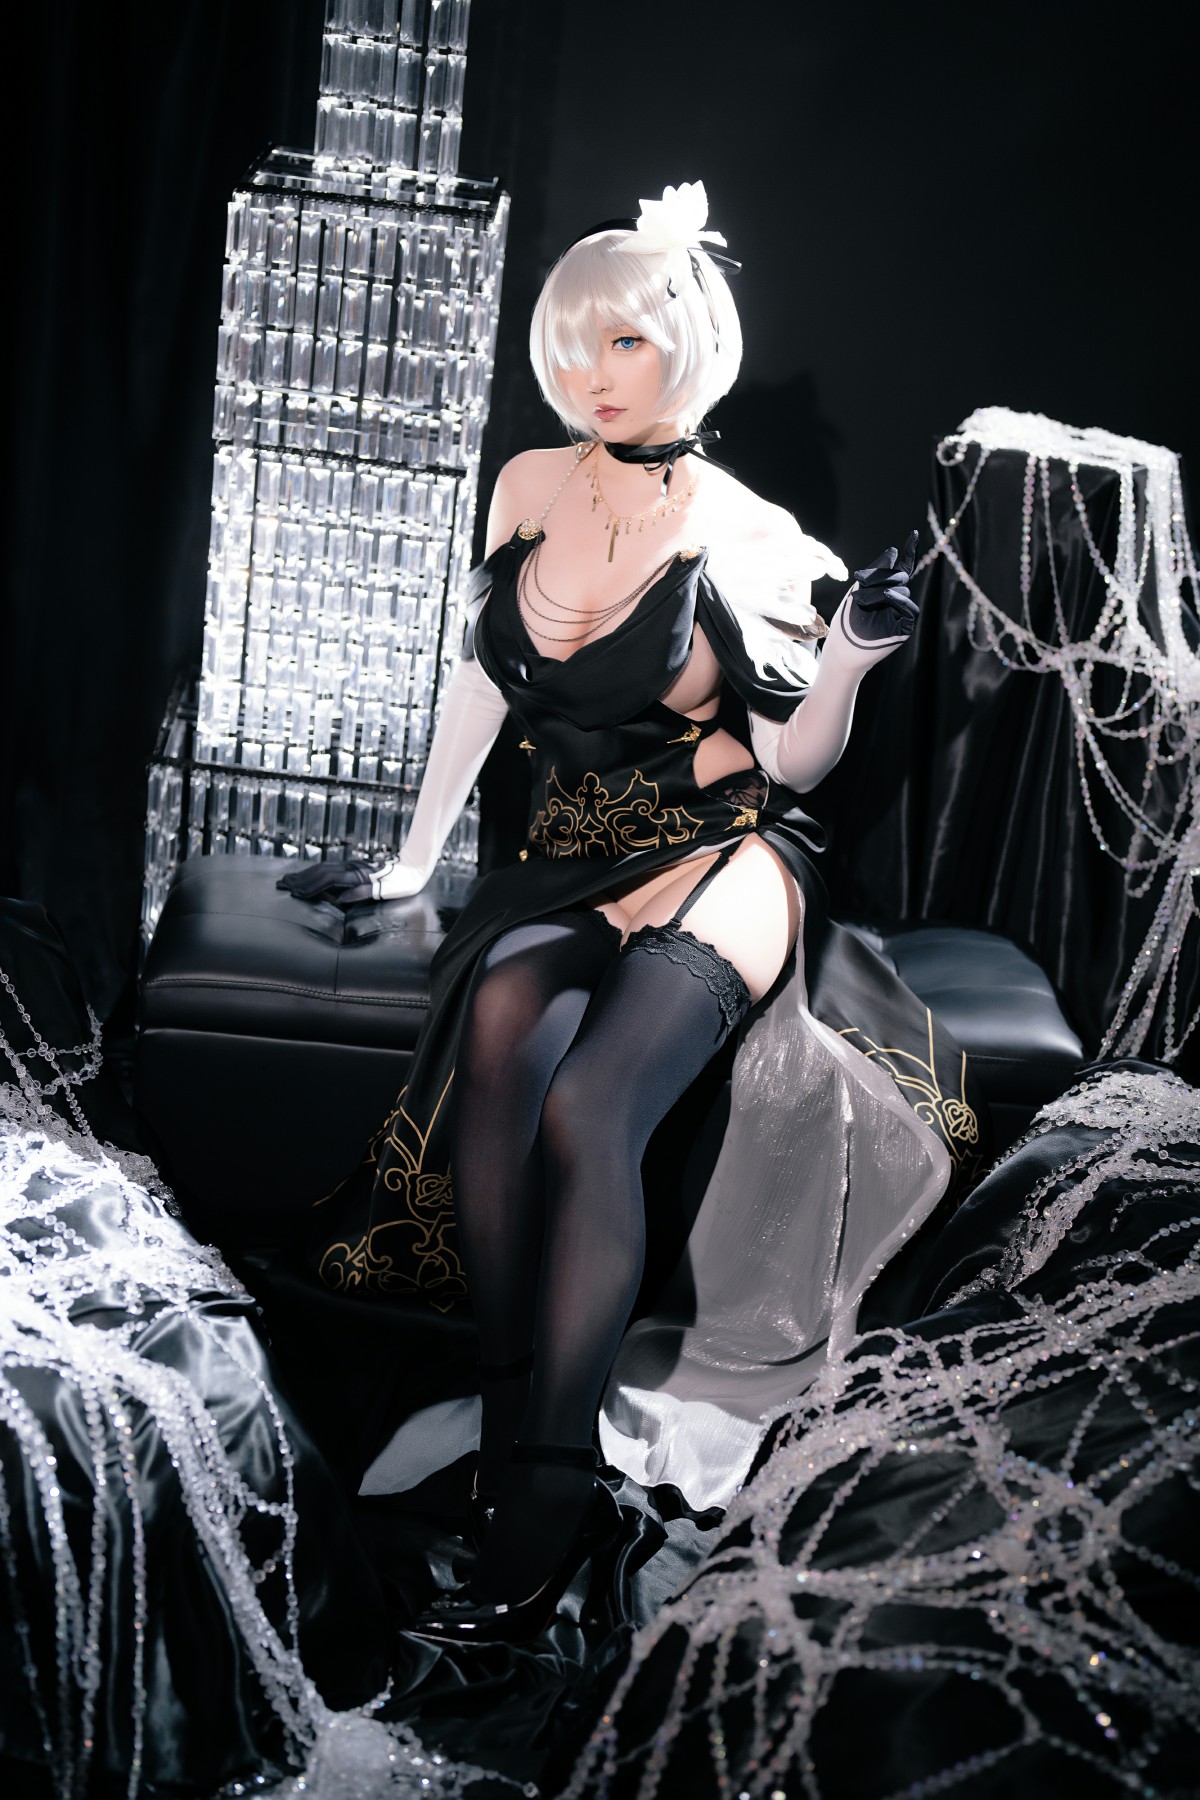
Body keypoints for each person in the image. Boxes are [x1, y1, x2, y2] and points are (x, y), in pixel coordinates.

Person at [280, 181, 980, 1644]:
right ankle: (515, 1422)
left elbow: (792, 761)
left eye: (624, 342)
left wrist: (849, 663)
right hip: (573, 855)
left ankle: (544, 1504)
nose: (591, 374)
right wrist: (413, 861)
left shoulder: (751, 532)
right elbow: (481, 682)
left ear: (691, 343)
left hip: (731, 852)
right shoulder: (532, 484)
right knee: (499, 1032)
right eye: (570, 345)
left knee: (594, 1103)